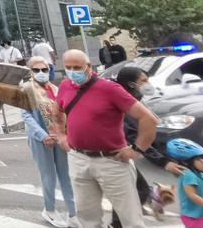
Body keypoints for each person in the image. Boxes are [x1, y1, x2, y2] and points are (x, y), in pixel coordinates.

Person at [56, 49, 158, 228]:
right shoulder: (65, 86)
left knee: (130, 219)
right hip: (78, 158)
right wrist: (61, 135)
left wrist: (136, 150)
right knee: (87, 217)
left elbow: (149, 119)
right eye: (68, 67)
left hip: (112, 161)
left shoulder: (109, 88)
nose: (73, 71)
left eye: (77, 67)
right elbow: (58, 111)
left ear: (88, 67)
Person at [110, 66, 183, 226]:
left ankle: (116, 223)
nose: (148, 84)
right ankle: (116, 224)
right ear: (130, 84)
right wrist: (163, 162)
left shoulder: (133, 98)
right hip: (110, 156)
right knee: (139, 190)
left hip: (118, 153)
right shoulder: (124, 102)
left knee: (134, 191)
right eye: (143, 81)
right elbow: (135, 136)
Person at [21, 56, 78, 228]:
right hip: (41, 140)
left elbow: (63, 112)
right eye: (37, 70)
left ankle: (73, 214)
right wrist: (42, 135)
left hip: (59, 138)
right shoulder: (26, 89)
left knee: (66, 175)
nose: (41, 73)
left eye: (44, 70)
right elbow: (26, 116)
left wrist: (65, 133)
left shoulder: (55, 88)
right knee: (48, 177)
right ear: (30, 72)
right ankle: (49, 210)